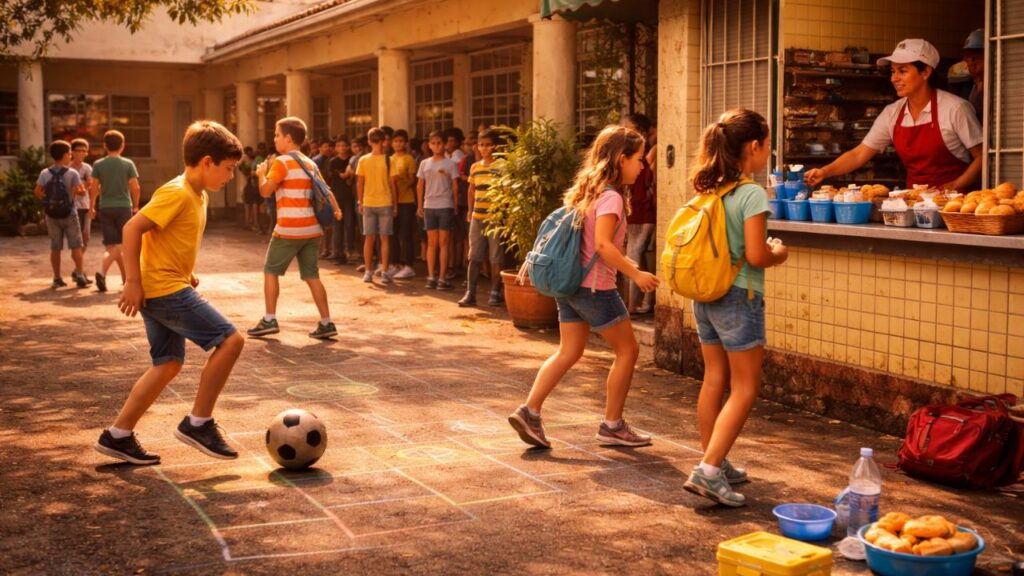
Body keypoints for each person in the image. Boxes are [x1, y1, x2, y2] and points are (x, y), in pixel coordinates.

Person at [93, 121, 246, 465]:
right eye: (228, 168)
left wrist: (185, 272)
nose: (230, 176)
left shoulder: (197, 194)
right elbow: (132, 228)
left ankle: (118, 435)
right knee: (231, 341)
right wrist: (132, 281)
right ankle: (198, 423)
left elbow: (163, 238)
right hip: (163, 290)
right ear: (207, 162)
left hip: (167, 284)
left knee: (167, 364)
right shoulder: (177, 192)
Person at [508, 125, 659, 450]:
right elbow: (603, 245)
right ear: (621, 159)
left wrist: (627, 266)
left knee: (569, 351)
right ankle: (612, 426)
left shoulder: (589, 191)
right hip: (595, 290)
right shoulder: (612, 197)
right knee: (628, 351)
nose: (642, 165)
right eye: (638, 158)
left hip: (572, 286)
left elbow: (593, 244)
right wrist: (635, 273)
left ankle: (529, 412)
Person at [680, 109, 789, 507]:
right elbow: (757, 255)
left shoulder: (709, 189)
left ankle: (715, 459)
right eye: (768, 145)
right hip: (740, 297)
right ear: (753, 146)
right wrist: (779, 252)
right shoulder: (751, 193)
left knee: (713, 378)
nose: (769, 152)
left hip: (705, 295)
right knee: (745, 387)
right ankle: (709, 471)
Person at [805, 39, 983, 193]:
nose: (894, 78)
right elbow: (858, 155)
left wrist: (953, 187)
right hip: (915, 204)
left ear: (925, 72)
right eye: (893, 71)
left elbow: (982, 157)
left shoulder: (955, 109)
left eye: (902, 71)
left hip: (956, 206)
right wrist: (825, 171)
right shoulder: (892, 113)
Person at [247, 117, 342, 339]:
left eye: (277, 135)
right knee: (312, 275)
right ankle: (326, 322)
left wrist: (261, 174)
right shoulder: (310, 163)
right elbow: (326, 191)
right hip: (312, 229)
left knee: (271, 271)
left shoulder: (282, 162)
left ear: (288, 138)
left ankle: (269, 319)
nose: (274, 139)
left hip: (288, 228)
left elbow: (265, 191)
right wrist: (337, 211)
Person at [89, 129, 140, 292]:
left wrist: (91, 206)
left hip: (106, 207)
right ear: (122, 146)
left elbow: (94, 188)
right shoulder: (128, 164)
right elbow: (135, 187)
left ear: (105, 146)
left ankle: (124, 279)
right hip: (124, 207)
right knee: (122, 245)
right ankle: (102, 273)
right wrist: (136, 206)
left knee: (112, 246)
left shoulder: (98, 164)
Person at [459, 129, 505, 307]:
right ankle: (470, 293)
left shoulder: (501, 166)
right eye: (481, 145)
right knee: (474, 256)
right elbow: (471, 190)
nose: (484, 148)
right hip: (477, 217)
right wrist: (470, 211)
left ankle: (495, 292)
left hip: (495, 219)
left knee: (495, 257)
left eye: (488, 145)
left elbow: (506, 192)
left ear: (495, 146)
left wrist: (502, 214)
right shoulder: (475, 167)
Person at [35, 140, 88, 289]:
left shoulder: (45, 173)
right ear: (65, 155)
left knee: (55, 247)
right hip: (70, 213)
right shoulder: (72, 173)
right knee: (76, 246)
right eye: (70, 154)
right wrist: (79, 191)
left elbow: (37, 192)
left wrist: (49, 200)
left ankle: (57, 278)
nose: (70, 156)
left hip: (52, 215)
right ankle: (80, 275)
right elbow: (81, 192)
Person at [622, 113, 657, 316]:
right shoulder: (633, 155)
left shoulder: (650, 154)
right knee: (636, 258)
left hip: (643, 214)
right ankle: (638, 303)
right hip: (636, 213)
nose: (627, 132)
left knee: (633, 258)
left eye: (631, 128)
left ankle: (632, 305)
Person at [416, 130, 459, 290]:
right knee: (432, 243)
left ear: (445, 144)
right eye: (433, 143)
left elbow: (455, 186)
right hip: (429, 206)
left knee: (444, 243)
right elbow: (420, 186)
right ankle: (431, 277)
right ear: (429, 145)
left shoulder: (450, 164)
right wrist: (420, 205)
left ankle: (442, 278)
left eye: (439, 143)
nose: (436, 146)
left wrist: (455, 205)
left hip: (445, 205)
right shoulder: (424, 163)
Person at [356, 127, 398, 284]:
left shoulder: (363, 160)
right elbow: (393, 185)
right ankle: (385, 271)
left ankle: (368, 271)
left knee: (369, 238)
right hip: (385, 202)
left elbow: (360, 183)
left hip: (368, 202)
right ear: (384, 141)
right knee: (384, 238)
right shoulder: (389, 160)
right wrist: (395, 205)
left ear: (369, 141)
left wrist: (360, 201)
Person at [390, 129, 418, 280]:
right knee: (393, 233)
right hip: (391, 201)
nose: (398, 144)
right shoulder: (389, 159)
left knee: (406, 234)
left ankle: (409, 265)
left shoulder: (409, 159)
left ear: (406, 143)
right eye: (396, 141)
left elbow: (412, 180)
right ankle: (395, 264)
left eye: (401, 141)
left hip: (406, 200)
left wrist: (401, 179)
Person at [329, 137, 356, 263]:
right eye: (339, 145)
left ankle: (349, 252)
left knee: (349, 225)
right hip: (336, 197)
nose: (341, 148)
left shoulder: (352, 160)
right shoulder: (333, 162)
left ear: (348, 147)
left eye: (344, 145)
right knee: (337, 226)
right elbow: (332, 177)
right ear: (336, 148)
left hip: (349, 197)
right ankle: (338, 254)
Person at [446, 127, 468, 281]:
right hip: (451, 199)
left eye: (453, 140)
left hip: (459, 201)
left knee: (459, 237)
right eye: (448, 140)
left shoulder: (459, 156)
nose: (449, 143)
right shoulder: (448, 156)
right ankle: (453, 265)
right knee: (453, 237)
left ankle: (457, 265)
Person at [69, 139, 95, 270]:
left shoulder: (87, 168)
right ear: (72, 152)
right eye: (78, 150)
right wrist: (80, 187)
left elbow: (91, 185)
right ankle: (79, 270)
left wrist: (92, 206)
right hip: (71, 207)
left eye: (83, 151)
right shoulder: (67, 167)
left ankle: (76, 269)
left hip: (85, 205)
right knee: (75, 240)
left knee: (86, 237)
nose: (80, 153)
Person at [962, 29, 984, 123]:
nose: (971, 63)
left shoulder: (995, 83)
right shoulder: (970, 85)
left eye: (975, 57)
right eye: (968, 57)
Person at [241, 146, 261, 231]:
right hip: (251, 186)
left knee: (248, 205)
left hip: (248, 186)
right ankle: (253, 223)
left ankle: (249, 223)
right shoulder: (250, 162)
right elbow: (246, 174)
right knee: (253, 204)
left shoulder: (245, 162)